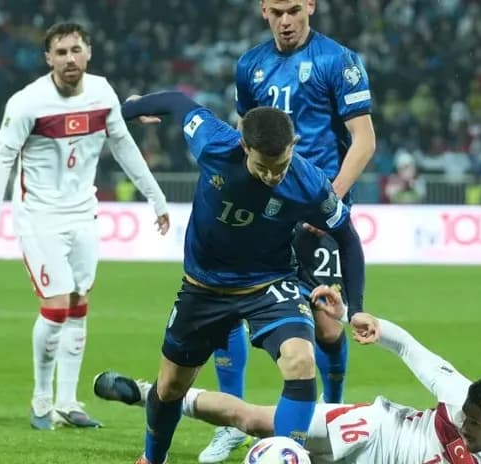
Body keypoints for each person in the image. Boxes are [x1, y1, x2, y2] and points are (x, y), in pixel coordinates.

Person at [117, 90, 378, 464]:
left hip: (269, 283)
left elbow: (348, 238)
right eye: (263, 167)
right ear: (243, 146)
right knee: (171, 386)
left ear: (294, 145)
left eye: (281, 165)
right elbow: (177, 102)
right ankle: (152, 457)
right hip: (204, 287)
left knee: (300, 361)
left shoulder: (309, 183)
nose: (273, 175)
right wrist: (129, 111)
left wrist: (358, 308)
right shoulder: (213, 143)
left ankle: (287, 455)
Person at [205, 1, 378, 458]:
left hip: (315, 207)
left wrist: (331, 200)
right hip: (265, 209)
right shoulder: (251, 65)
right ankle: (231, 423)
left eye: (295, 10)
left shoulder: (337, 61)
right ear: (263, 10)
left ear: (312, 7)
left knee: (326, 326)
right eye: (277, 10)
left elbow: (364, 139)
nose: (286, 20)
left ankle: (335, 416)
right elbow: (249, 136)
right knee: (227, 303)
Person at [0, 22, 170, 431]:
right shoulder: (28, 102)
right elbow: (1, 161)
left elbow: (123, 145)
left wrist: (156, 197)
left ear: (88, 52)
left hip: (83, 213)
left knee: (79, 304)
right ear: (48, 58)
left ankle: (68, 402)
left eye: (75, 50)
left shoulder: (102, 93)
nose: (69, 59)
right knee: (57, 305)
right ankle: (42, 400)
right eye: (60, 52)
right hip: (39, 217)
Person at [94, 285, 481, 464]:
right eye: (466, 416)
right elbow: (408, 347)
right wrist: (357, 319)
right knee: (254, 420)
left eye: (475, 425)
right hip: (374, 429)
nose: (465, 423)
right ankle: (148, 392)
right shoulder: (462, 396)